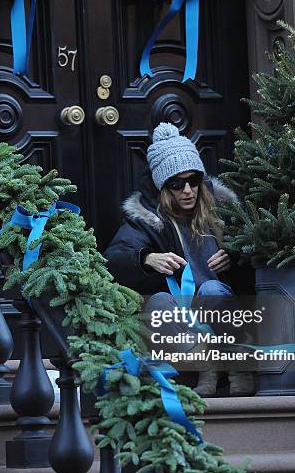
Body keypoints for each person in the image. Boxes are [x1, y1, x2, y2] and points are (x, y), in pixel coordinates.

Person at [104, 122, 254, 397]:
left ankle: (238, 366)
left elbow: (259, 253)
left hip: (224, 308)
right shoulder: (148, 220)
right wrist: (146, 258)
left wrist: (234, 257)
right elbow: (115, 258)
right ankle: (206, 365)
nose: (188, 190)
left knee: (211, 289)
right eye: (177, 183)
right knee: (158, 302)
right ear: (164, 186)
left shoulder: (225, 211)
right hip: (184, 317)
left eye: (193, 180)